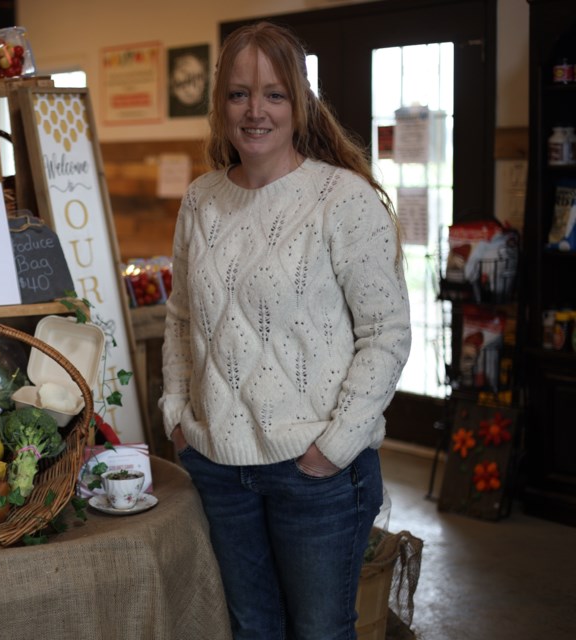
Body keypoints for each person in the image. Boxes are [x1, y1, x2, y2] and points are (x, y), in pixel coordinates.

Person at [159, 21, 412, 640]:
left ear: (299, 102)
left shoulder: (343, 200)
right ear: (220, 105)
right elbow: (181, 318)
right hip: (219, 465)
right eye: (239, 94)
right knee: (252, 628)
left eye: (273, 94)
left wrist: (336, 444)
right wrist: (177, 414)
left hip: (316, 473)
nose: (255, 111)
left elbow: (387, 332)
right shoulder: (200, 200)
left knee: (320, 632)